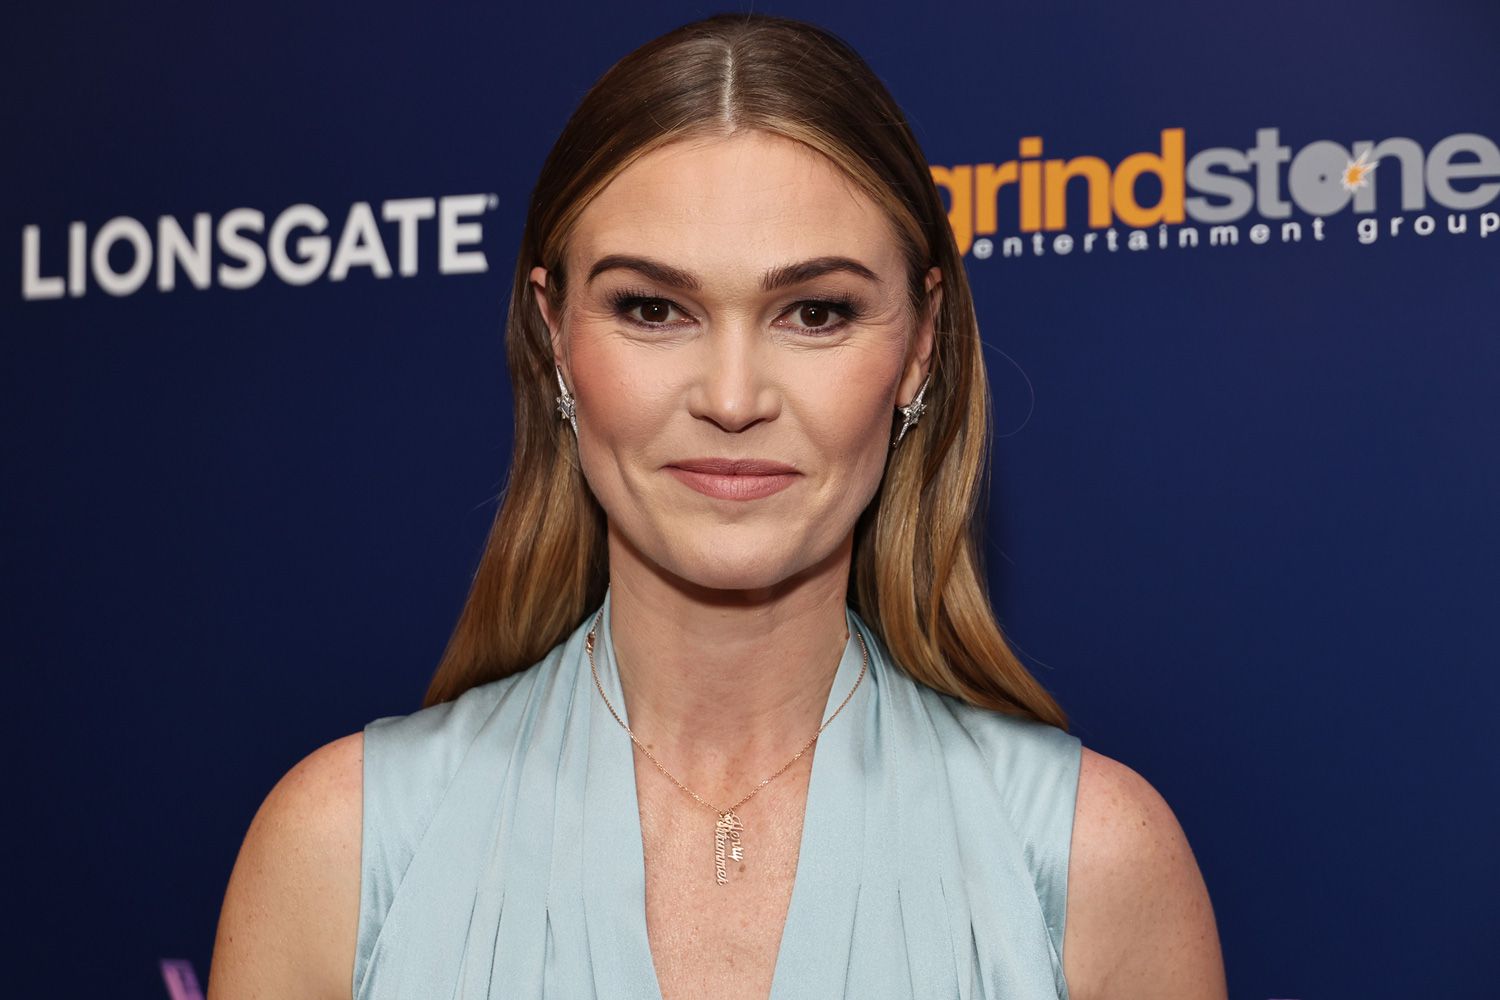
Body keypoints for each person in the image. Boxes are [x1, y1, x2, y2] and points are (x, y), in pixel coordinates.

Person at [207, 12, 1227, 1000]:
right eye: (654, 308)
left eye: (815, 312)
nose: (733, 398)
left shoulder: (1092, 865)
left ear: (920, 346)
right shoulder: (341, 854)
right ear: (554, 334)